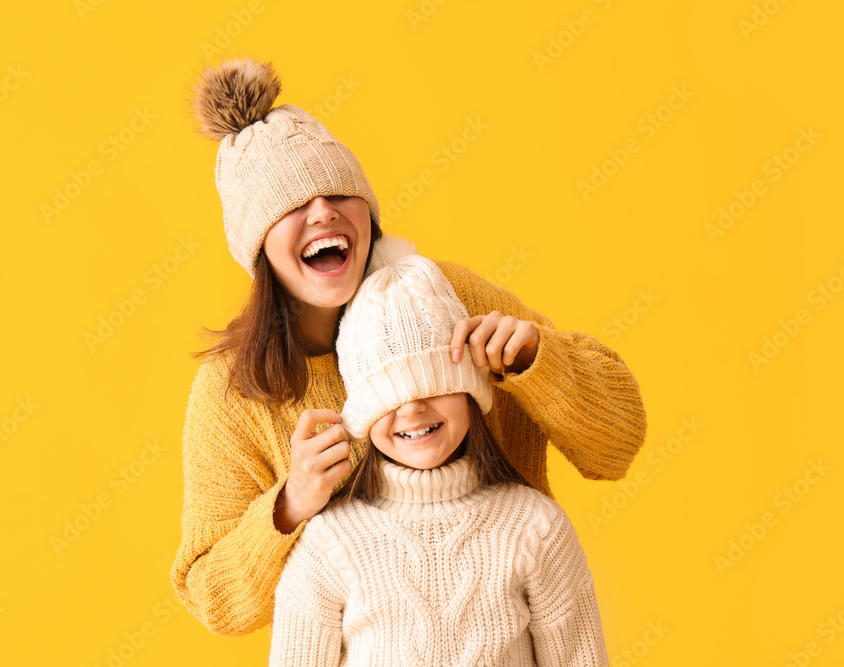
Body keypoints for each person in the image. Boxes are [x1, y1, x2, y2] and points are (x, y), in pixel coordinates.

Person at [171, 56, 647, 637]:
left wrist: (540, 362)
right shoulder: (232, 395)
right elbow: (215, 603)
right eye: (292, 203)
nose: (322, 210)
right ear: (257, 245)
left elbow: (618, 446)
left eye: (339, 192)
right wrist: (290, 503)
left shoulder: (446, 297)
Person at [269, 253, 609, 666]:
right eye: (389, 397)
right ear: (363, 415)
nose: (411, 409)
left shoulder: (535, 528)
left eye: (434, 385)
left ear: (468, 391)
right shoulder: (329, 544)